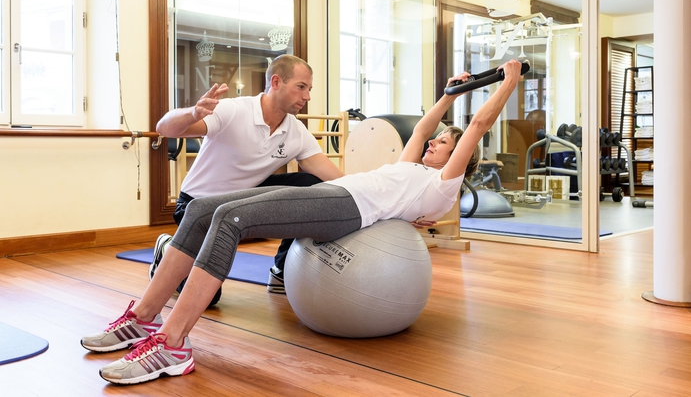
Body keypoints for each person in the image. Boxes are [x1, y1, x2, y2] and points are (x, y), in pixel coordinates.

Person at [82, 59, 523, 385]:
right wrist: (449, 94)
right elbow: (423, 129)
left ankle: (174, 343)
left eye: (447, 144)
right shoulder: (410, 164)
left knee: (230, 217)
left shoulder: (442, 186)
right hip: (333, 195)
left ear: (459, 160)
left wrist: (507, 84)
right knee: (202, 208)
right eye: (438, 141)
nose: (435, 145)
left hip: (346, 209)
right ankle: (143, 318)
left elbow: (479, 125)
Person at [151, 55, 344, 302]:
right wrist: (194, 113)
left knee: (314, 186)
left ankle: (282, 272)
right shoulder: (233, 110)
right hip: (197, 207)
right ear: (276, 82)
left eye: (309, 89)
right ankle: (168, 247)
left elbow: (334, 177)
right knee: (207, 299)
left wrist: (372, 194)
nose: (307, 96)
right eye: (301, 87)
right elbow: (164, 128)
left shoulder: (296, 131)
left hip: (241, 204)